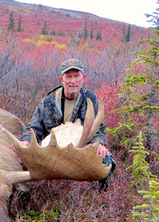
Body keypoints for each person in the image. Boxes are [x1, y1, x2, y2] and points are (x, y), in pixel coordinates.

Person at [19, 58, 115, 191]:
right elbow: (34, 128)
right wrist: (26, 141)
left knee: (106, 159)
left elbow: (98, 129)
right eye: (68, 77)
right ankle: (36, 195)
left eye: (76, 76)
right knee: (20, 160)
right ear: (61, 79)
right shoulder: (49, 101)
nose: (73, 81)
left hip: (79, 149)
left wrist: (97, 143)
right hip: (52, 153)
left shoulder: (90, 100)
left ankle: (98, 195)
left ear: (83, 77)